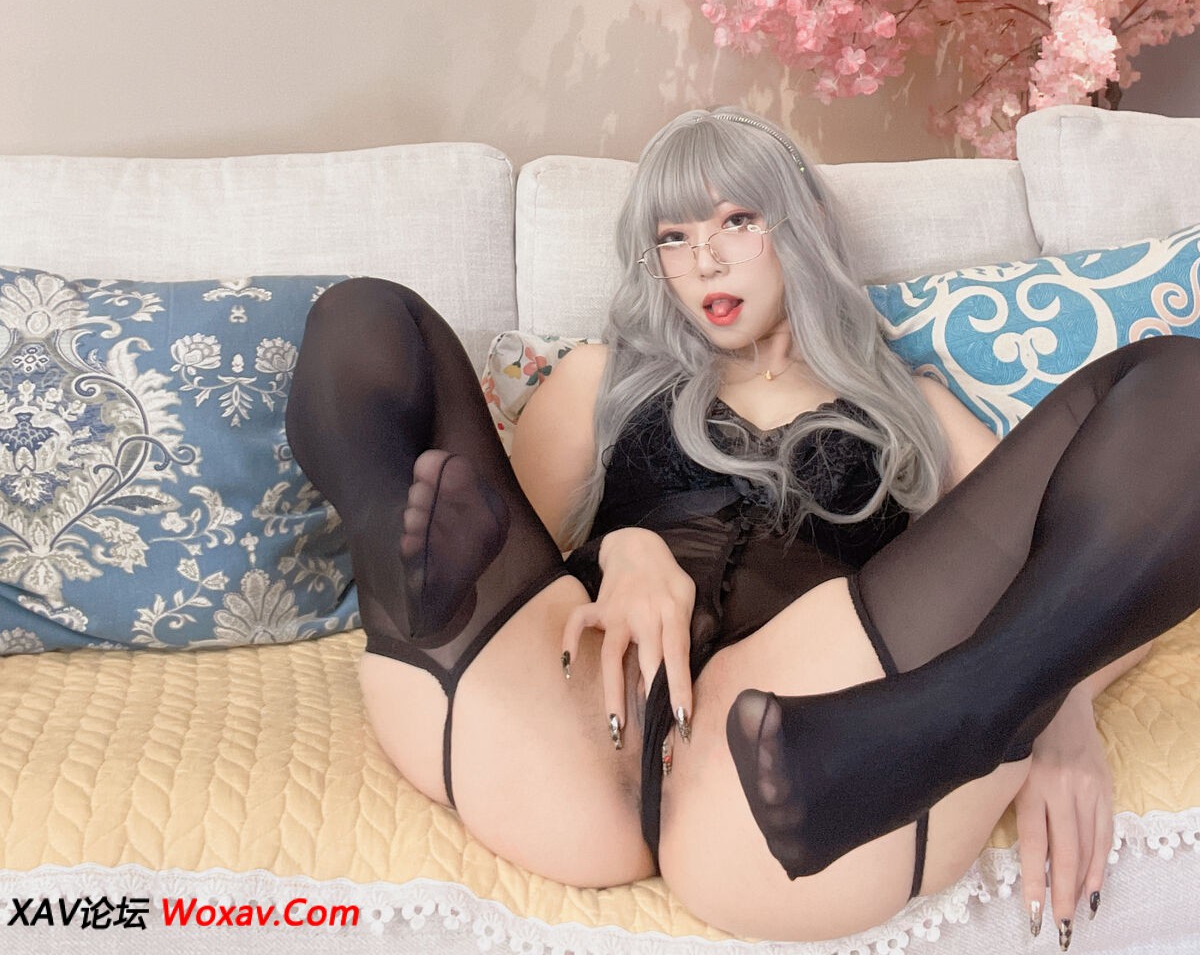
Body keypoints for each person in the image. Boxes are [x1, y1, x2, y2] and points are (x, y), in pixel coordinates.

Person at [283, 106, 1196, 946]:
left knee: (1175, 380)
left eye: (736, 221)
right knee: (369, 310)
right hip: (568, 731)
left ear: (801, 225)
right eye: (672, 238)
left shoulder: (912, 409)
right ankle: (393, 575)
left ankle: (972, 711)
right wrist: (627, 549)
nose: (704, 263)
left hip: (801, 761)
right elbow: (510, 554)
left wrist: (1061, 710)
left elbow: (1098, 559)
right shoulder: (600, 378)